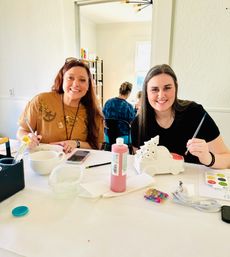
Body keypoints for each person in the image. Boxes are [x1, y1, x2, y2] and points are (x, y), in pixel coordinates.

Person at [131, 64, 230, 169]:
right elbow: (139, 163)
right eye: (154, 89)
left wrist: (209, 158)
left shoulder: (195, 113)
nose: (161, 95)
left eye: (167, 88)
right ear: (146, 92)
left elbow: (227, 159)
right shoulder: (138, 124)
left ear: (175, 88)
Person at [17, 58, 104, 153]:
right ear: (62, 80)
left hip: (77, 164)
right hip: (46, 160)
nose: (75, 84)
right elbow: (21, 131)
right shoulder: (41, 101)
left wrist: (76, 143)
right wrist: (27, 139)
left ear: (88, 85)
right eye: (70, 78)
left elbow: (98, 145)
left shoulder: (94, 112)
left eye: (82, 80)